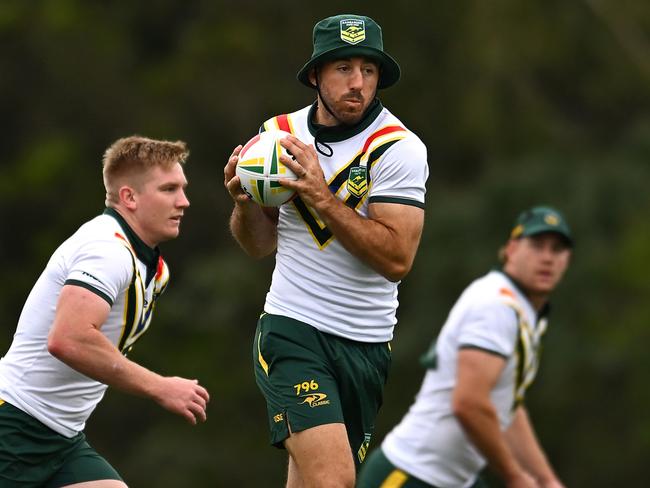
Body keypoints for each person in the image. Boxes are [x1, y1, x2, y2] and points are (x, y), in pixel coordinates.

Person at [223, 13, 428, 488]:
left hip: (366, 346)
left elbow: (397, 260)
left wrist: (320, 196)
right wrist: (243, 205)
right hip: (293, 332)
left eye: (369, 70)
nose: (357, 83)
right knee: (333, 481)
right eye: (343, 69)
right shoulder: (276, 136)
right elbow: (258, 245)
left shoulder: (397, 148)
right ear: (315, 74)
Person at [0, 136, 210, 487]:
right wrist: (160, 386)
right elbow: (68, 340)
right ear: (129, 197)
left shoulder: (153, 268)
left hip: (63, 439)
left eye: (183, 188)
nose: (184, 202)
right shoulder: (106, 250)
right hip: (15, 424)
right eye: (169, 189)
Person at [356, 206, 573, 488]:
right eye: (536, 245)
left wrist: (545, 479)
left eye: (557, 249)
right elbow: (469, 403)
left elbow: (506, 408)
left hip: (455, 481)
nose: (547, 257)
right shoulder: (497, 305)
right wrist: (514, 476)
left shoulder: (522, 310)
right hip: (409, 477)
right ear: (510, 249)